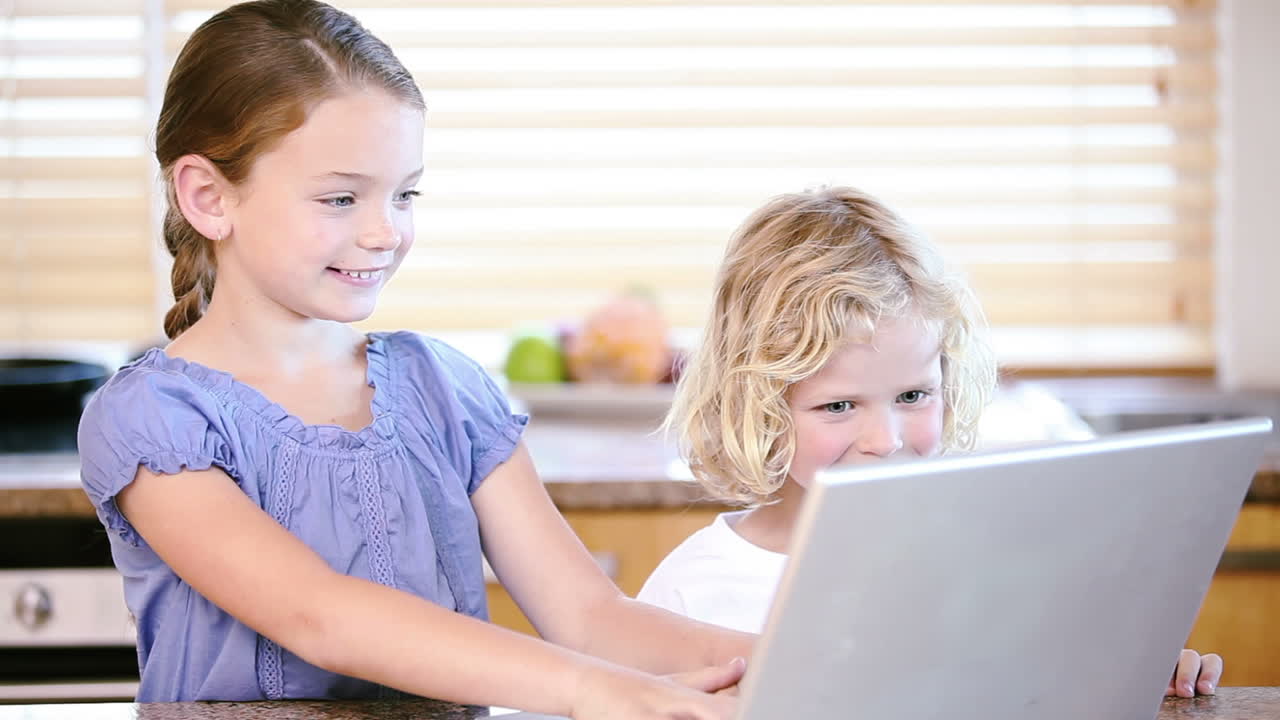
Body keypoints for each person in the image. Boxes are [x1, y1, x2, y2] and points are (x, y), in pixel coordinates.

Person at [76, 2, 750, 715]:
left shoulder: (443, 389)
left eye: (404, 194)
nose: (385, 232)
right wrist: (589, 688)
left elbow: (591, 617)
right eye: (341, 198)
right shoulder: (155, 421)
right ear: (209, 197)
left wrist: (786, 657)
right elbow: (320, 616)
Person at [636, 186, 1223, 699]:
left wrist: (1140, 668)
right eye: (838, 406)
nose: (885, 440)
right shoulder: (690, 589)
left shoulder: (992, 564)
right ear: (760, 406)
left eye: (914, 396)